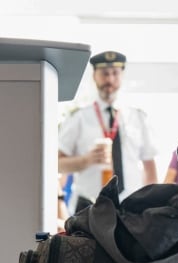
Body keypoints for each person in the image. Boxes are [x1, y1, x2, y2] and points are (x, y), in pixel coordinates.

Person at [58, 50, 158, 214]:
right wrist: (85, 160)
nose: (110, 79)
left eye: (115, 73)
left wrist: (151, 206)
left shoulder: (138, 117)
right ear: (94, 76)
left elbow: (149, 166)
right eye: (104, 73)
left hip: (130, 207)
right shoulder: (78, 118)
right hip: (89, 207)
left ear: (122, 76)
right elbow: (58, 163)